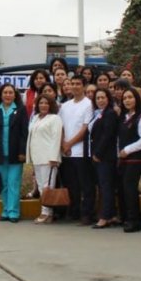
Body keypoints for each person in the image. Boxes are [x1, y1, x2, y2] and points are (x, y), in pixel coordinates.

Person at [0, 84, 28, 222]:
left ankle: (14, 212)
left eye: (11, 93)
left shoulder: (20, 110)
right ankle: (5, 211)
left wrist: (22, 151)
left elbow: (24, 133)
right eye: (5, 93)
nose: (8, 95)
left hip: (16, 153)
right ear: (1, 95)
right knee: (3, 184)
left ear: (15, 95)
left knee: (13, 183)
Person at [58, 76, 94, 224]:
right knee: (71, 185)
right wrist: (63, 144)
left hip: (81, 151)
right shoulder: (65, 106)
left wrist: (69, 144)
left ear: (84, 86)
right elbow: (60, 127)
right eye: (72, 84)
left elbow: (85, 128)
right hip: (66, 152)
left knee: (85, 185)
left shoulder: (89, 104)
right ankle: (74, 212)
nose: (75, 86)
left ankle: (87, 214)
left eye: (78, 84)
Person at [118, 88, 141, 233]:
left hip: (135, 159)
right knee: (125, 189)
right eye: (125, 98)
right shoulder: (124, 116)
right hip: (124, 159)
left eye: (130, 97)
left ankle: (135, 221)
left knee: (130, 189)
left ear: (136, 99)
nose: (127, 100)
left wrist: (128, 150)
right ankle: (127, 217)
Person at [26, 94, 62, 224]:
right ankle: (49, 213)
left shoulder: (55, 119)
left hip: (49, 158)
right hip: (37, 157)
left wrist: (53, 157)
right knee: (41, 186)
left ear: (51, 105)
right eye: (41, 103)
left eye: (46, 103)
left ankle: (45, 212)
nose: (43, 105)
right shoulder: (35, 118)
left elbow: (56, 138)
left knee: (48, 187)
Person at [90, 88, 120, 229]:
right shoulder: (98, 114)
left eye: (103, 97)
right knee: (104, 186)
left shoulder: (110, 114)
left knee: (106, 187)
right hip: (98, 155)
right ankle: (112, 214)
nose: (100, 100)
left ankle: (104, 217)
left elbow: (108, 135)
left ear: (108, 99)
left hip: (105, 156)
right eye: (98, 98)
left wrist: (98, 153)